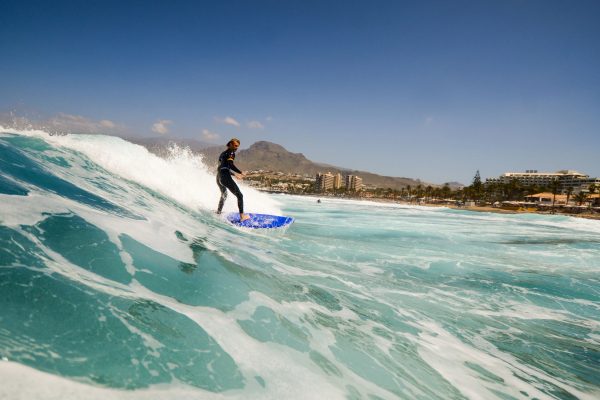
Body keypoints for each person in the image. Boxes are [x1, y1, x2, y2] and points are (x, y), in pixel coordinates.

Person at [216, 138, 250, 221]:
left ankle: (218, 212)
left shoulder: (223, 154)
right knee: (240, 195)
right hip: (225, 177)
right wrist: (240, 172)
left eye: (237, 146)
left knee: (224, 195)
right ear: (230, 144)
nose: (236, 148)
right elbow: (230, 165)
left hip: (219, 177)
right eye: (235, 145)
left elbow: (222, 167)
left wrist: (234, 174)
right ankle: (242, 216)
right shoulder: (231, 153)